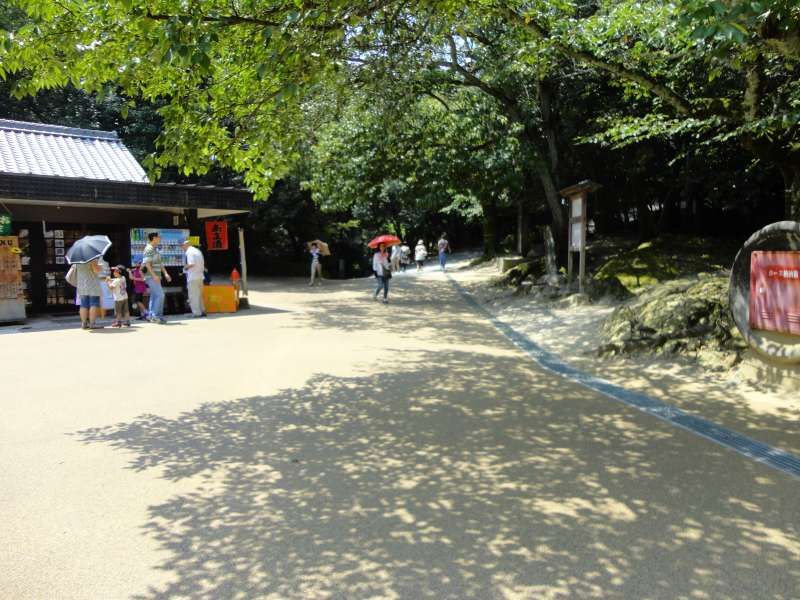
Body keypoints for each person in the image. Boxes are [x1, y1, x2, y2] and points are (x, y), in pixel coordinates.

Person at [141, 231, 172, 324]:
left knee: (155, 295)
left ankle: (152, 316)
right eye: (159, 237)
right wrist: (154, 275)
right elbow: (147, 264)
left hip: (155, 276)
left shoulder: (155, 249)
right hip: (152, 276)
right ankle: (156, 316)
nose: (160, 238)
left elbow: (160, 263)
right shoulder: (149, 249)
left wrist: (165, 273)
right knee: (160, 295)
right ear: (154, 238)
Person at [180, 239, 206, 317]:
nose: (182, 248)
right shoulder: (197, 251)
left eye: (182, 246)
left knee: (193, 296)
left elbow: (191, 264)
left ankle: (196, 313)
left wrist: (185, 267)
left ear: (186, 245)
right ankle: (202, 311)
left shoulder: (189, 252)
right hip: (200, 276)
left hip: (193, 277)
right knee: (199, 295)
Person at [75, 258, 102, 329]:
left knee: (83, 304)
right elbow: (96, 270)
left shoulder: (77, 260)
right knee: (94, 303)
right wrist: (99, 267)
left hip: (81, 284)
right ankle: (92, 324)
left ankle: (84, 323)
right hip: (92, 284)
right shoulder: (92, 259)